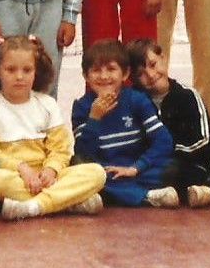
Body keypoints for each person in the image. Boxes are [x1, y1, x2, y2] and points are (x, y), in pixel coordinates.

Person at [0, 33, 106, 221]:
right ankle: (68, 201)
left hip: (48, 177)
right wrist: (22, 169)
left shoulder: (47, 103)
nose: (19, 77)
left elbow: (60, 149)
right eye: (10, 70)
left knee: (96, 173)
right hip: (14, 176)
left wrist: (51, 170)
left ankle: (35, 206)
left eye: (27, 70)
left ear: (36, 72)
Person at [70, 38, 178, 208]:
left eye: (111, 69)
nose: (104, 76)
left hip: (137, 168)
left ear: (125, 74)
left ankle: (111, 194)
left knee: (173, 168)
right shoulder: (82, 107)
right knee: (80, 167)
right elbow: (84, 153)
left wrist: (136, 167)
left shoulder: (137, 99)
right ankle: (147, 196)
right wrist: (94, 118)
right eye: (96, 70)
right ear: (86, 76)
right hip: (106, 171)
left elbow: (163, 140)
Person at [126, 38, 210, 208]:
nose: (151, 75)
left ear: (163, 58)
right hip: (149, 165)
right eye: (141, 73)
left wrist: (165, 153)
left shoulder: (187, 95)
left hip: (186, 161)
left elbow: (203, 141)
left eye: (153, 64)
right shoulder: (134, 100)